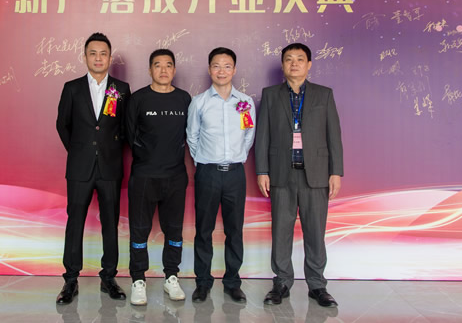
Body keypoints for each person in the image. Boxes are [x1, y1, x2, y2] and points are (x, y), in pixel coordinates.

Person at [254, 42, 343, 308]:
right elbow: (262, 135)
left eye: (300, 59)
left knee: (315, 232)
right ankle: (281, 282)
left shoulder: (324, 94)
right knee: (281, 231)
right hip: (281, 173)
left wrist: (336, 172)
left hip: (315, 174)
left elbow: (334, 135)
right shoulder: (270, 95)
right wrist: (262, 170)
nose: (294, 64)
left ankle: (317, 285)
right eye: (289, 59)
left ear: (309, 64)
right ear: (283, 65)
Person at [55, 32, 131, 304]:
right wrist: (79, 150)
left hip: (110, 167)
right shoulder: (72, 88)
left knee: (110, 223)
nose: (98, 58)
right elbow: (62, 125)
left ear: (110, 58)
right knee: (74, 222)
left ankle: (109, 277)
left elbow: (126, 128)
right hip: (80, 168)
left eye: (103, 54)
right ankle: (70, 280)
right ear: (85, 56)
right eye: (93, 53)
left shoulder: (122, 89)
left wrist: (109, 149)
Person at [186, 47, 256, 303]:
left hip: (235, 174)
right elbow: (192, 137)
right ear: (209, 69)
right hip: (208, 173)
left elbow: (249, 134)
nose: (222, 71)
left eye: (227, 66)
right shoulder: (199, 102)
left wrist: (237, 157)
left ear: (234, 70)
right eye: (216, 66)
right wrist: (204, 161)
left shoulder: (245, 102)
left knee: (234, 230)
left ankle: (232, 282)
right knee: (203, 230)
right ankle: (203, 282)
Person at [125, 49, 192, 306]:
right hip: (144, 176)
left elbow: (190, 133)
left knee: (173, 229)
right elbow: (129, 134)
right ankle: (138, 279)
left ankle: (171, 277)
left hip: (175, 176)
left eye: (168, 65)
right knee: (139, 230)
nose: (163, 70)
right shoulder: (138, 99)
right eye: (157, 65)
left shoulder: (184, 99)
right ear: (150, 69)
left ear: (174, 70)